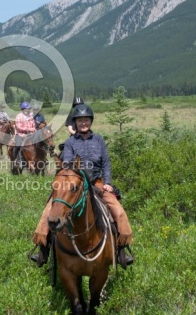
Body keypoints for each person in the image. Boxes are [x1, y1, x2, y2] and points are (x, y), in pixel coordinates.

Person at [31, 103, 134, 269]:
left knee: (119, 212)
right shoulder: (70, 142)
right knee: (48, 212)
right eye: (80, 121)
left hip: (97, 183)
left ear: (90, 122)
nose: (83, 123)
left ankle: (122, 251)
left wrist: (107, 183)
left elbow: (106, 163)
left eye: (86, 120)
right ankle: (43, 250)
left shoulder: (99, 140)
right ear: (75, 123)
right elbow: (68, 163)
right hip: (75, 185)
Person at [13, 102, 36, 166]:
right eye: (27, 109)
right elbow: (18, 127)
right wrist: (28, 129)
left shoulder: (30, 116)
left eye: (29, 109)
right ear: (23, 109)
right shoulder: (19, 116)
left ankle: (42, 158)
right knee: (17, 145)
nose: (28, 110)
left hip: (31, 134)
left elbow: (33, 125)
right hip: (21, 134)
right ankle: (16, 159)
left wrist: (33, 130)